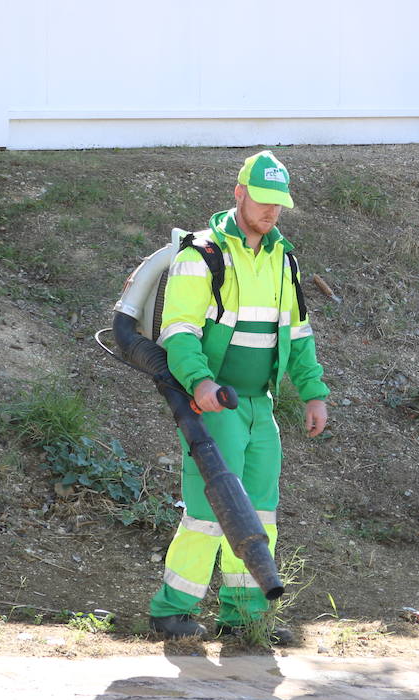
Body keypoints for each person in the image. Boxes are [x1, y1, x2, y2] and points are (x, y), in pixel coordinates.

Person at [147, 150, 330, 642]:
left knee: (260, 512)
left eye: (279, 204)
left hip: (258, 406)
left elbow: (299, 333)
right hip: (215, 405)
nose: (271, 212)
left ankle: (245, 616)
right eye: (263, 201)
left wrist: (313, 393)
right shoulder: (202, 255)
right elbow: (179, 330)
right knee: (209, 513)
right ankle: (173, 610)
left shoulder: (283, 259)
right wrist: (201, 383)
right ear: (239, 193)